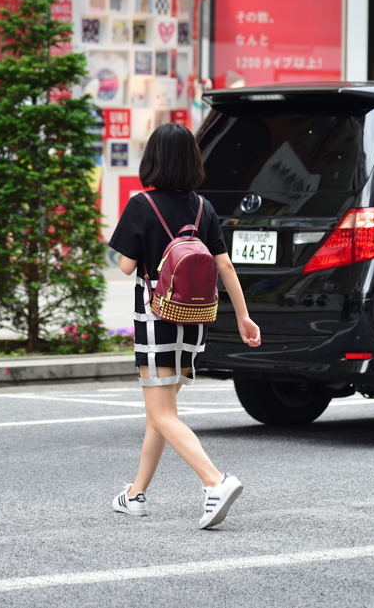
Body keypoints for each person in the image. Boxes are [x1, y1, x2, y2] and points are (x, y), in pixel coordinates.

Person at [107, 122, 261, 529]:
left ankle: (215, 481)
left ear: (153, 159)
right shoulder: (202, 207)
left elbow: (124, 266)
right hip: (194, 316)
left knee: (161, 411)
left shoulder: (142, 205)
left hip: (156, 315)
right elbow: (224, 265)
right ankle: (136, 493)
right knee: (161, 410)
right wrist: (244, 316)